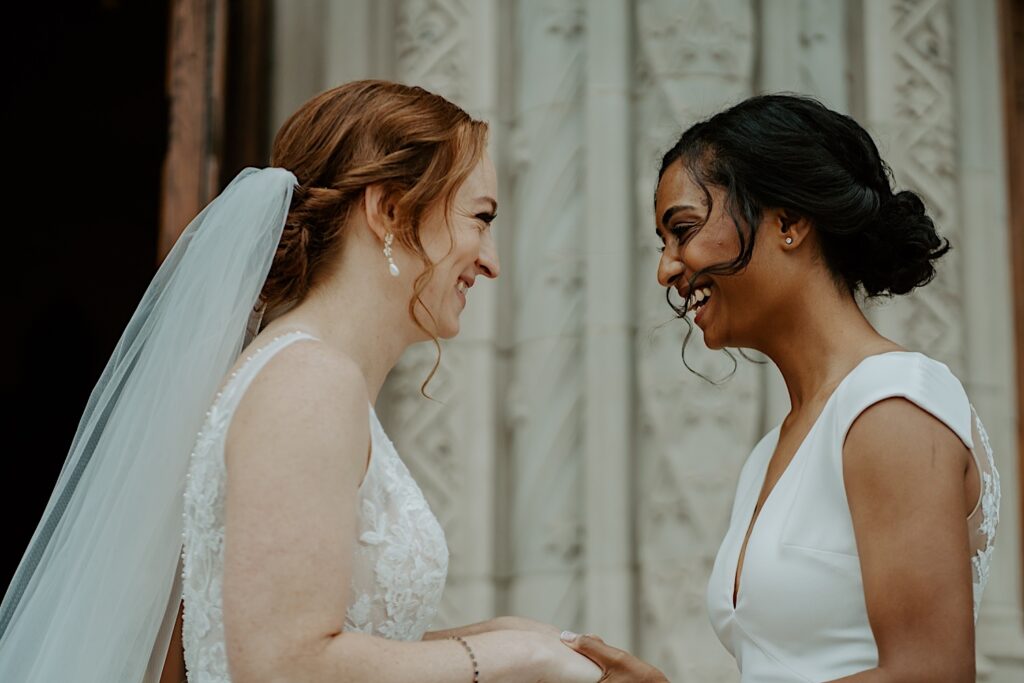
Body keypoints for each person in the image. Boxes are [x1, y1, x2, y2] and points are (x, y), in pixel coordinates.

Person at [0, 80, 601, 683]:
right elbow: (285, 665)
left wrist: (503, 635)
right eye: (481, 218)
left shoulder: (310, 374)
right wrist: (519, 659)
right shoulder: (308, 383)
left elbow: (321, 641)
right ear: (388, 210)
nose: (491, 261)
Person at [566, 94, 999, 681]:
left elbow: (930, 674)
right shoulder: (772, 453)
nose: (667, 268)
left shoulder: (892, 406)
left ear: (789, 223)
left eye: (684, 229)